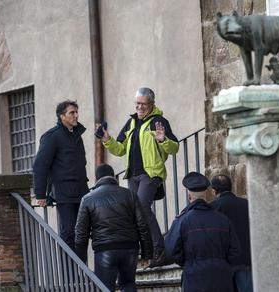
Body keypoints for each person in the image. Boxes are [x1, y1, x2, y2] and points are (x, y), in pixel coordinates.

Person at [98, 87, 179, 266]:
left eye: (143, 104)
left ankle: (159, 249)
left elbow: (174, 148)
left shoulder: (159, 121)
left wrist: (163, 139)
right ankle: (147, 251)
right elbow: (119, 149)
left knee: (142, 207)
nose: (140, 108)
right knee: (135, 211)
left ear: (152, 104)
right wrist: (106, 140)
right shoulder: (131, 123)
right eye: (137, 104)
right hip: (133, 175)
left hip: (150, 173)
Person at [75, 164, 153, 291]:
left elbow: (81, 233)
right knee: (128, 284)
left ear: (96, 179)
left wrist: (80, 259)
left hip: (104, 249)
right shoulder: (130, 195)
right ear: (114, 177)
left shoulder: (88, 199)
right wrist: (147, 254)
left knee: (104, 288)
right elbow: (142, 225)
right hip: (130, 248)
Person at [164, 172, 241, 292]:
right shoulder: (223, 219)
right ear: (207, 195)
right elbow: (235, 251)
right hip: (222, 277)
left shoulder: (182, 220)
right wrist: (222, 263)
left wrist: (188, 263)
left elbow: (170, 250)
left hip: (194, 277)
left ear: (189, 197)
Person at [33, 100, 89, 249]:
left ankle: (81, 271)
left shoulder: (77, 135)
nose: (76, 115)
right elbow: (40, 165)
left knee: (82, 232)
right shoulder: (52, 137)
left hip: (82, 191)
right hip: (64, 193)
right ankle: (68, 270)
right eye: (72, 113)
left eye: (77, 112)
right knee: (69, 231)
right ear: (62, 116)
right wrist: (40, 194)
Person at [210, 174, 253, 292]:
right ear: (231, 187)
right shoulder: (247, 204)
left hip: (223, 263)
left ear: (214, 191)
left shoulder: (212, 208)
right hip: (246, 260)